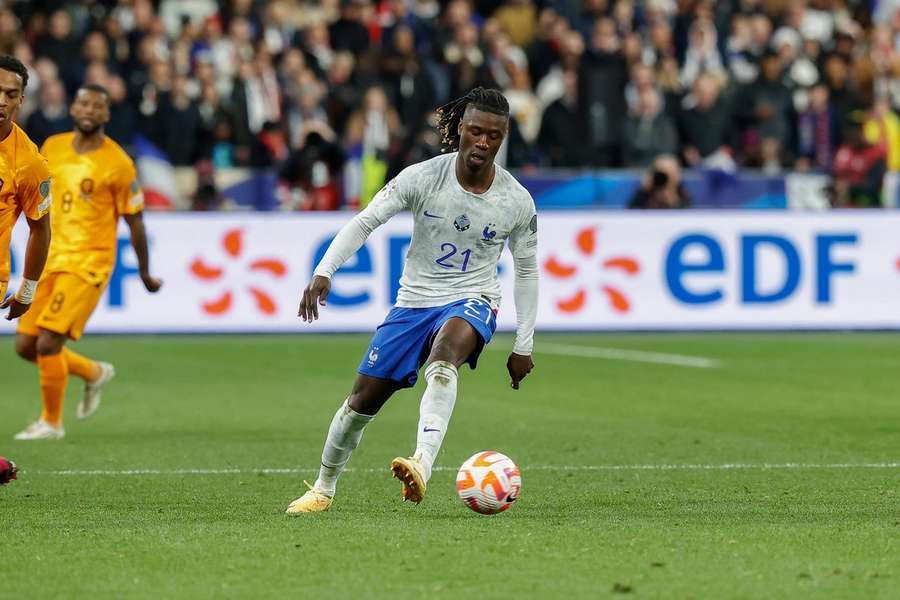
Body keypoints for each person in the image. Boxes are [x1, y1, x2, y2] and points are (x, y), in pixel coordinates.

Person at [287, 87, 539, 514]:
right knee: (360, 404)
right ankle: (323, 490)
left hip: (473, 298)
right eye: (475, 132)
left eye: (493, 136)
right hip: (414, 303)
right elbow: (366, 221)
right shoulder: (422, 177)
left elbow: (528, 271)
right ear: (460, 129)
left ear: (504, 136)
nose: (483, 143)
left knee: (444, 358)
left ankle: (421, 462)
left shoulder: (516, 201)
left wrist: (524, 345)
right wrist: (324, 271)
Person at [13, 83, 163, 441]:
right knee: (25, 347)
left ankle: (51, 422)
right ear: (73, 108)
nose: (89, 111)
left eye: (98, 106)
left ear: (106, 114)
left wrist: (143, 271)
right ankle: (93, 372)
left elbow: (135, 220)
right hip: (49, 258)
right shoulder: (52, 146)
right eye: (84, 103)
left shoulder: (119, 164)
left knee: (49, 343)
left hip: (89, 263)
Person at [0, 55, 52, 323]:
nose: (1, 101)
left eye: (10, 94)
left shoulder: (29, 164)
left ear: (21, 99)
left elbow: (41, 229)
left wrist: (27, 291)